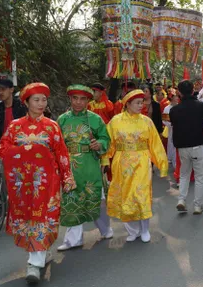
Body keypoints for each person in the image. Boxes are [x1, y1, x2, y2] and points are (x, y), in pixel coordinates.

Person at [0, 83, 76, 283]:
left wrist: (67, 176)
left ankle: (35, 263)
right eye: (36, 100)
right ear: (26, 102)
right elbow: (3, 149)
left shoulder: (52, 126)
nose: (41, 104)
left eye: (44, 99)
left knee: (44, 217)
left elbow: (61, 153)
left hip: (47, 181)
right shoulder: (15, 126)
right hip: (23, 182)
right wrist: (27, 153)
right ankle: (38, 255)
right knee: (28, 218)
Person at [102, 89, 168, 242]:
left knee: (141, 194)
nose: (141, 105)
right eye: (138, 103)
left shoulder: (146, 121)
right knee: (125, 196)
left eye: (142, 102)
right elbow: (108, 143)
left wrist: (162, 163)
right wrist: (105, 160)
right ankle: (133, 230)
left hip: (142, 162)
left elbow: (155, 144)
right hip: (121, 163)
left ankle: (145, 230)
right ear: (128, 104)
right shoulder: (115, 121)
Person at [57, 85, 113, 251]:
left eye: (82, 99)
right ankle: (73, 239)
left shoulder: (95, 119)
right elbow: (57, 143)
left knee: (96, 197)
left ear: (88, 101)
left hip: (89, 164)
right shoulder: (62, 119)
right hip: (70, 166)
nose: (78, 102)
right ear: (70, 99)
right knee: (72, 199)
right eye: (75, 98)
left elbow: (106, 139)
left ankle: (105, 229)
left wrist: (99, 144)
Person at [170, 80, 203, 214]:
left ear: (179, 92)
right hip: (197, 145)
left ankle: (181, 200)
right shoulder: (200, 105)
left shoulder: (174, 110)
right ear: (193, 89)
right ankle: (197, 205)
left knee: (184, 174)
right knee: (200, 176)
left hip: (182, 147)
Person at [0, 79, 27, 145]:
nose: (0, 92)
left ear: (11, 90)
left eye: (3, 89)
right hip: (2, 145)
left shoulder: (22, 107)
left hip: (21, 144)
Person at [162, 89, 179, 167]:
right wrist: (171, 125)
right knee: (172, 144)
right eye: (175, 97)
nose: (177, 98)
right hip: (171, 129)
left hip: (179, 129)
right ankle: (173, 160)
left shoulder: (180, 106)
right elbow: (164, 121)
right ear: (171, 98)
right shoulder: (167, 108)